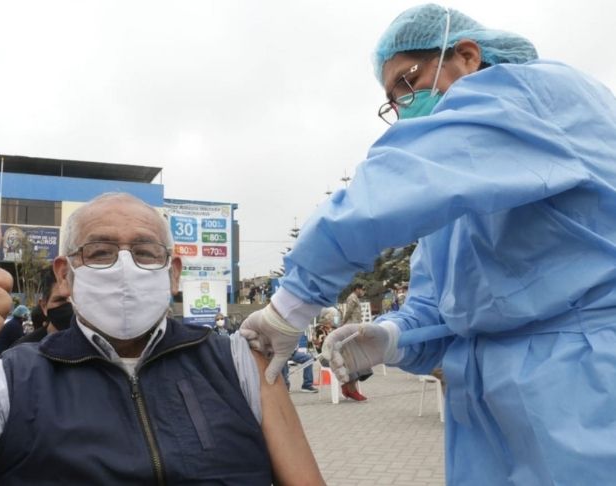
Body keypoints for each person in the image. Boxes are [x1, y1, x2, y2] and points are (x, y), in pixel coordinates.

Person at [241, 4, 616, 484]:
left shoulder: (537, 96)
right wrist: (394, 338)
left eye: (408, 81)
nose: (403, 105)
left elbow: (392, 187)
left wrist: (292, 303)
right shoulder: (458, 200)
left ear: (466, 56)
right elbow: (442, 307)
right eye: (392, 98)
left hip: (587, 386)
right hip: (489, 410)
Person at [0, 194, 324, 485]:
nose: (123, 267)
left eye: (144, 251)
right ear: (65, 274)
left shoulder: (241, 363)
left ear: (173, 273)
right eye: (98, 252)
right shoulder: (7, 386)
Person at [11, 268, 72, 346]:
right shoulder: (20, 353)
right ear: (44, 306)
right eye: (60, 300)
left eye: (78, 300)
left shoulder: (90, 348)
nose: (72, 307)